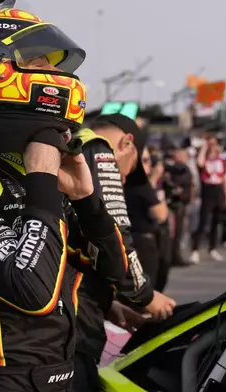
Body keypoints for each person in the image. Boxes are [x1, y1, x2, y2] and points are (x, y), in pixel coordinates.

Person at [0, 6, 136, 391]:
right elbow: (31, 290)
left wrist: (87, 202)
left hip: (68, 375)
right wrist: (44, 182)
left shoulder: (31, 180)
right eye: (37, 64)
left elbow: (120, 277)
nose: (56, 77)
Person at [75, 116, 176, 391]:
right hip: (69, 331)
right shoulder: (96, 147)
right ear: (126, 144)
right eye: (130, 169)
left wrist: (107, 304)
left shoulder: (67, 143)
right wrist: (144, 295)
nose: (124, 177)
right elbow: (116, 235)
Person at [125, 148, 170, 290]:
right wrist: (154, 181)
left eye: (150, 160)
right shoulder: (142, 185)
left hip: (134, 239)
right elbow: (161, 214)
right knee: (148, 289)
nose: (150, 164)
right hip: (142, 241)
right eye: (144, 161)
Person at [190, 135, 226, 263]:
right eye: (211, 144)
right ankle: (195, 249)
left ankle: (212, 247)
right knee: (203, 220)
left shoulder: (220, 160)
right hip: (207, 190)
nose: (213, 147)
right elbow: (200, 163)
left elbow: (224, 179)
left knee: (216, 220)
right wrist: (204, 147)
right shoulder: (204, 159)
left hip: (218, 190)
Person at [164, 146, 194, 266]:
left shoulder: (184, 169)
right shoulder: (175, 169)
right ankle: (173, 257)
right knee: (174, 232)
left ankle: (175, 256)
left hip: (182, 203)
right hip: (175, 204)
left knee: (179, 232)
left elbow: (189, 183)